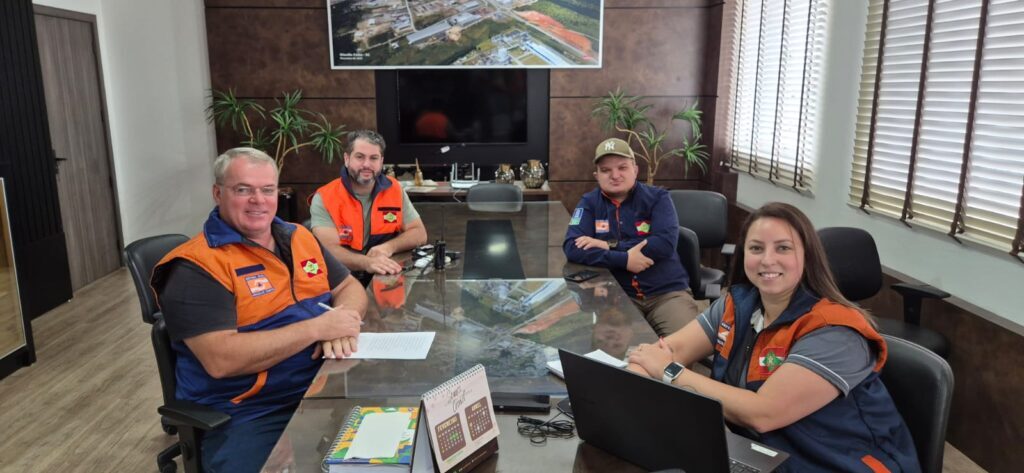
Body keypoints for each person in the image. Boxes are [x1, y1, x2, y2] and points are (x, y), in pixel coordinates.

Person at [628, 202, 920, 472]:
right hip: (762, 456)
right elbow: (664, 351)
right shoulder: (735, 305)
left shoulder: (835, 331)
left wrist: (668, 371)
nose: (767, 260)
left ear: (807, 256)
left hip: (836, 464)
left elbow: (763, 413)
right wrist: (641, 372)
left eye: (783, 248)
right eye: (756, 248)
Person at [152, 147, 368, 473]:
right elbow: (222, 359)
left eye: (267, 190)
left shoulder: (298, 237)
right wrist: (317, 328)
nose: (258, 200)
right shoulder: (196, 267)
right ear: (218, 194)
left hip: (323, 384)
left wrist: (344, 321)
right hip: (251, 410)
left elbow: (348, 287)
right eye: (243, 189)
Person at [563, 137, 699, 337]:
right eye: (606, 170)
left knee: (686, 345)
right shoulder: (589, 203)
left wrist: (608, 245)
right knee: (621, 346)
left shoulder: (658, 198)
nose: (615, 175)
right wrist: (624, 260)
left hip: (667, 293)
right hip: (618, 295)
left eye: (622, 168)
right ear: (597, 175)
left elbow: (664, 244)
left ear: (635, 170)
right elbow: (572, 247)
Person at [310, 130, 427, 284]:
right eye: (360, 157)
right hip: (341, 279)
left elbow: (419, 233)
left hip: (384, 276)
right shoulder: (324, 197)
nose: (366, 164)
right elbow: (328, 250)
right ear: (347, 159)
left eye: (373, 158)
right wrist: (367, 262)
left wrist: (389, 247)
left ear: (381, 161)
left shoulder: (394, 189)